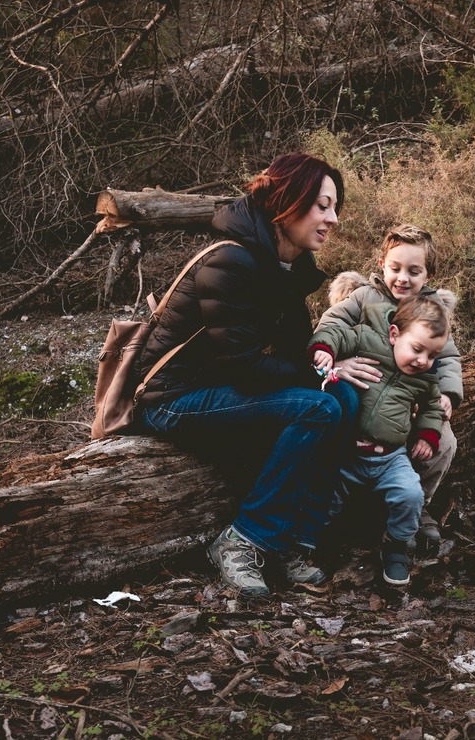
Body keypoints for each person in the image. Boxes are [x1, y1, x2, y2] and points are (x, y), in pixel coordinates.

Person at [135, 153, 359, 598]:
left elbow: (297, 352)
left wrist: (331, 366)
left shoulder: (287, 264)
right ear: (287, 203)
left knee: (344, 396)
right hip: (174, 400)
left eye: (335, 207)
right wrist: (311, 376)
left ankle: (294, 542)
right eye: (322, 205)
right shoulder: (231, 261)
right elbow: (248, 367)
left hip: (224, 390)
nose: (333, 219)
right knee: (316, 407)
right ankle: (244, 540)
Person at [316, 225, 462, 552]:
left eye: (414, 271)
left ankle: (416, 506)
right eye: (395, 268)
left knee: (444, 442)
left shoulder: (432, 310)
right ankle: (324, 509)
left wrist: (447, 393)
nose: (402, 279)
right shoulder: (365, 296)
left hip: (410, 396)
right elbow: (331, 325)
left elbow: (449, 356)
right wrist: (334, 361)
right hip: (366, 390)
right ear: (382, 263)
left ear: (429, 274)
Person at [310, 293, 451, 586]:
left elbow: (433, 407)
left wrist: (427, 435)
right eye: (417, 349)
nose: (423, 360)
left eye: (433, 355)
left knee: (410, 494)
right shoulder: (367, 340)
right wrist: (325, 349)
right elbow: (336, 332)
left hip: (390, 457)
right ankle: (311, 544)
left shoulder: (425, 379)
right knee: (325, 494)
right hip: (349, 452)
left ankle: (397, 546)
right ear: (394, 334)